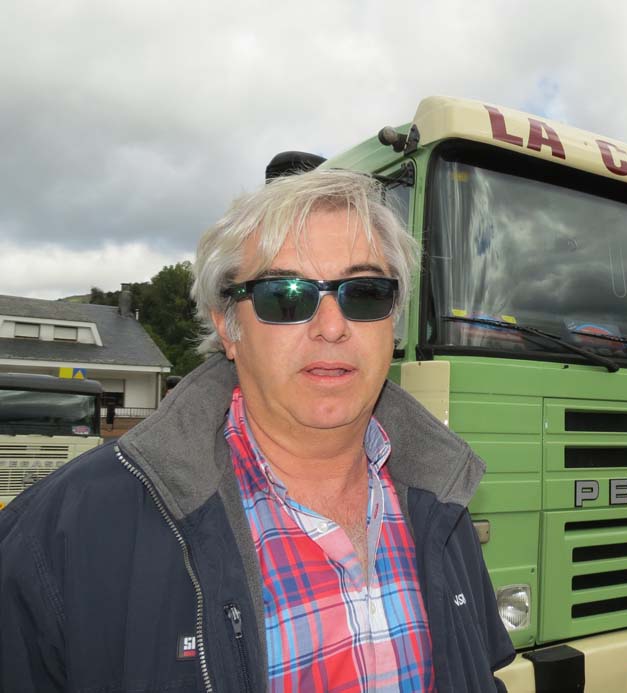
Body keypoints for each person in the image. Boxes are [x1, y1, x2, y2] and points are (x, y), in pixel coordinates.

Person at [0, 170, 515, 691]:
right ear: (227, 326)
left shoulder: (440, 498)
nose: (332, 327)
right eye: (285, 296)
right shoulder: (67, 534)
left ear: (393, 318)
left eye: (363, 292)